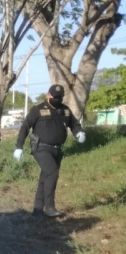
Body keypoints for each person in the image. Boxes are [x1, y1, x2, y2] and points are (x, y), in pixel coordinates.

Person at [14, 84, 85, 218]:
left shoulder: (65, 110)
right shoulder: (38, 110)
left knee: (45, 177)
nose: (57, 99)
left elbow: (74, 124)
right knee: (52, 173)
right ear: (48, 95)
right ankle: (49, 207)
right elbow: (25, 127)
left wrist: (79, 133)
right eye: (55, 97)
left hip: (57, 150)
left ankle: (38, 209)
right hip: (41, 148)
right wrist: (19, 146)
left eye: (60, 97)